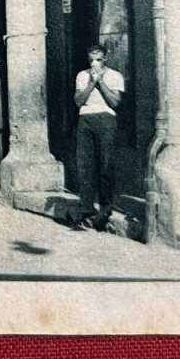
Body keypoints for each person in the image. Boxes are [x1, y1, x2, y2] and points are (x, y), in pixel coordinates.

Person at [72, 44, 124, 230]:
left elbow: (115, 101)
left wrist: (101, 82)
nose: (94, 63)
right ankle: (86, 209)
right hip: (85, 119)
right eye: (91, 60)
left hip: (106, 120)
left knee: (105, 164)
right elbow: (78, 101)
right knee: (85, 165)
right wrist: (91, 83)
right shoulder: (82, 76)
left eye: (99, 60)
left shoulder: (115, 76)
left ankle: (105, 207)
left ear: (105, 59)